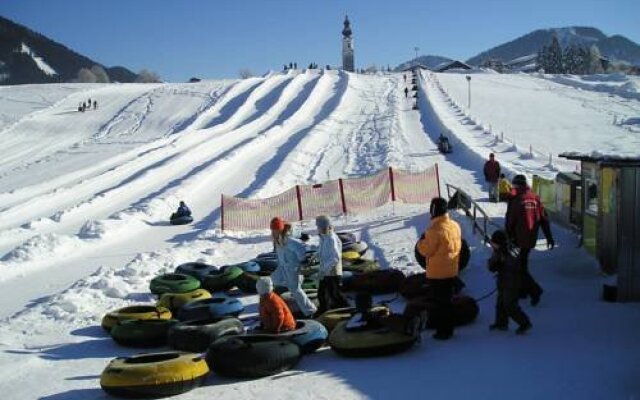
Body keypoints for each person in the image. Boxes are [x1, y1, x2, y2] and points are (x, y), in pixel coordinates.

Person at [416, 197, 462, 340]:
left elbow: (426, 251)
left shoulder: (434, 230)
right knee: (447, 301)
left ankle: (443, 331)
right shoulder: (455, 225)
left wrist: (420, 243)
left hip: (437, 274)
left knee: (439, 303)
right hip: (451, 270)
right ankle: (449, 327)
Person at [505, 174, 555, 306]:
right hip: (531, 237)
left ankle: (534, 290)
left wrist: (508, 236)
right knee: (522, 263)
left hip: (518, 238)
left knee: (518, 267)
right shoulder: (535, 198)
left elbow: (510, 220)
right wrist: (549, 237)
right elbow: (544, 219)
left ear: (516, 185)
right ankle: (523, 290)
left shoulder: (516, 199)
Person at [269, 217, 317, 318]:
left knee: (295, 289)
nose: (273, 232)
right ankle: (274, 305)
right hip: (283, 267)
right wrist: (301, 234)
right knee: (272, 280)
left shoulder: (288, 240)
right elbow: (293, 232)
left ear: (281, 230)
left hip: (292, 268)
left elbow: (300, 248)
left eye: (275, 230)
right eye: (272, 230)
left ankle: (310, 310)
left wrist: (303, 259)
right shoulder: (279, 238)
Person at [487, 230, 532, 334]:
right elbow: (492, 264)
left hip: (511, 283)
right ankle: (501, 323)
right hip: (503, 281)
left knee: (510, 305)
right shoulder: (499, 252)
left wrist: (499, 264)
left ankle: (524, 323)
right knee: (500, 303)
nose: (492, 245)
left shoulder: (510, 252)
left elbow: (514, 266)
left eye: (494, 243)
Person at [315, 215, 350, 316]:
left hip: (333, 271)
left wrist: (325, 269)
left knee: (335, 293)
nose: (318, 229)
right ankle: (324, 309)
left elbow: (335, 257)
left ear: (326, 227)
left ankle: (346, 309)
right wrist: (315, 255)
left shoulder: (331, 239)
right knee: (322, 292)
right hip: (325, 270)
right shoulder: (323, 237)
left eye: (319, 227)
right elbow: (321, 249)